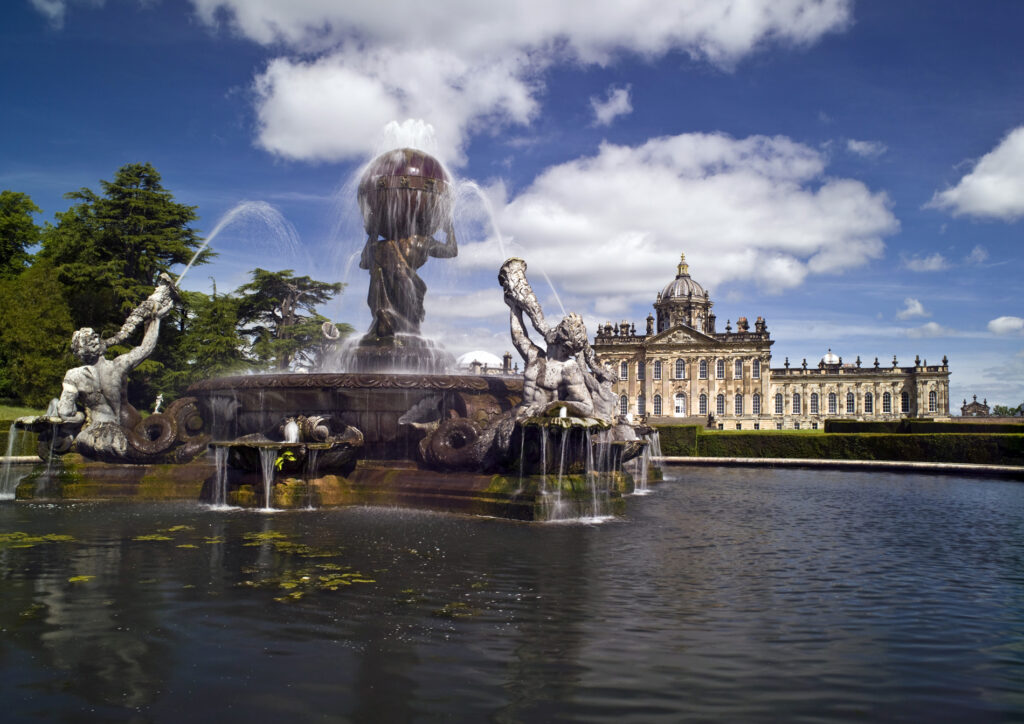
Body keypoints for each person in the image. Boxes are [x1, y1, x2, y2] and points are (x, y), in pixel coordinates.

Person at [57, 281, 174, 460]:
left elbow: (64, 412)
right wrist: (156, 320)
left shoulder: (73, 376)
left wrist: (79, 417)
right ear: (97, 345)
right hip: (124, 430)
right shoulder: (117, 366)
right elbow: (146, 348)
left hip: (92, 435)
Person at [359, 223, 457, 339]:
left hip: (408, 286)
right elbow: (364, 263)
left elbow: (451, 251)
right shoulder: (383, 246)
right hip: (399, 287)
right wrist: (450, 230)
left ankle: (387, 320)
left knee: (407, 325)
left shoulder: (424, 241)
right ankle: (386, 319)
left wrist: (373, 235)